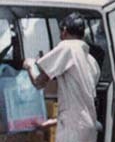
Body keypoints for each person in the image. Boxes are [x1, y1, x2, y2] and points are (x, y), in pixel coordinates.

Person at [27, 14, 100, 142]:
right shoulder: (91, 61)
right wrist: (51, 122)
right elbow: (81, 105)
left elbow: (39, 83)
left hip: (73, 130)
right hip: (88, 128)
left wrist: (29, 65)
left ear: (64, 31)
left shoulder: (67, 47)